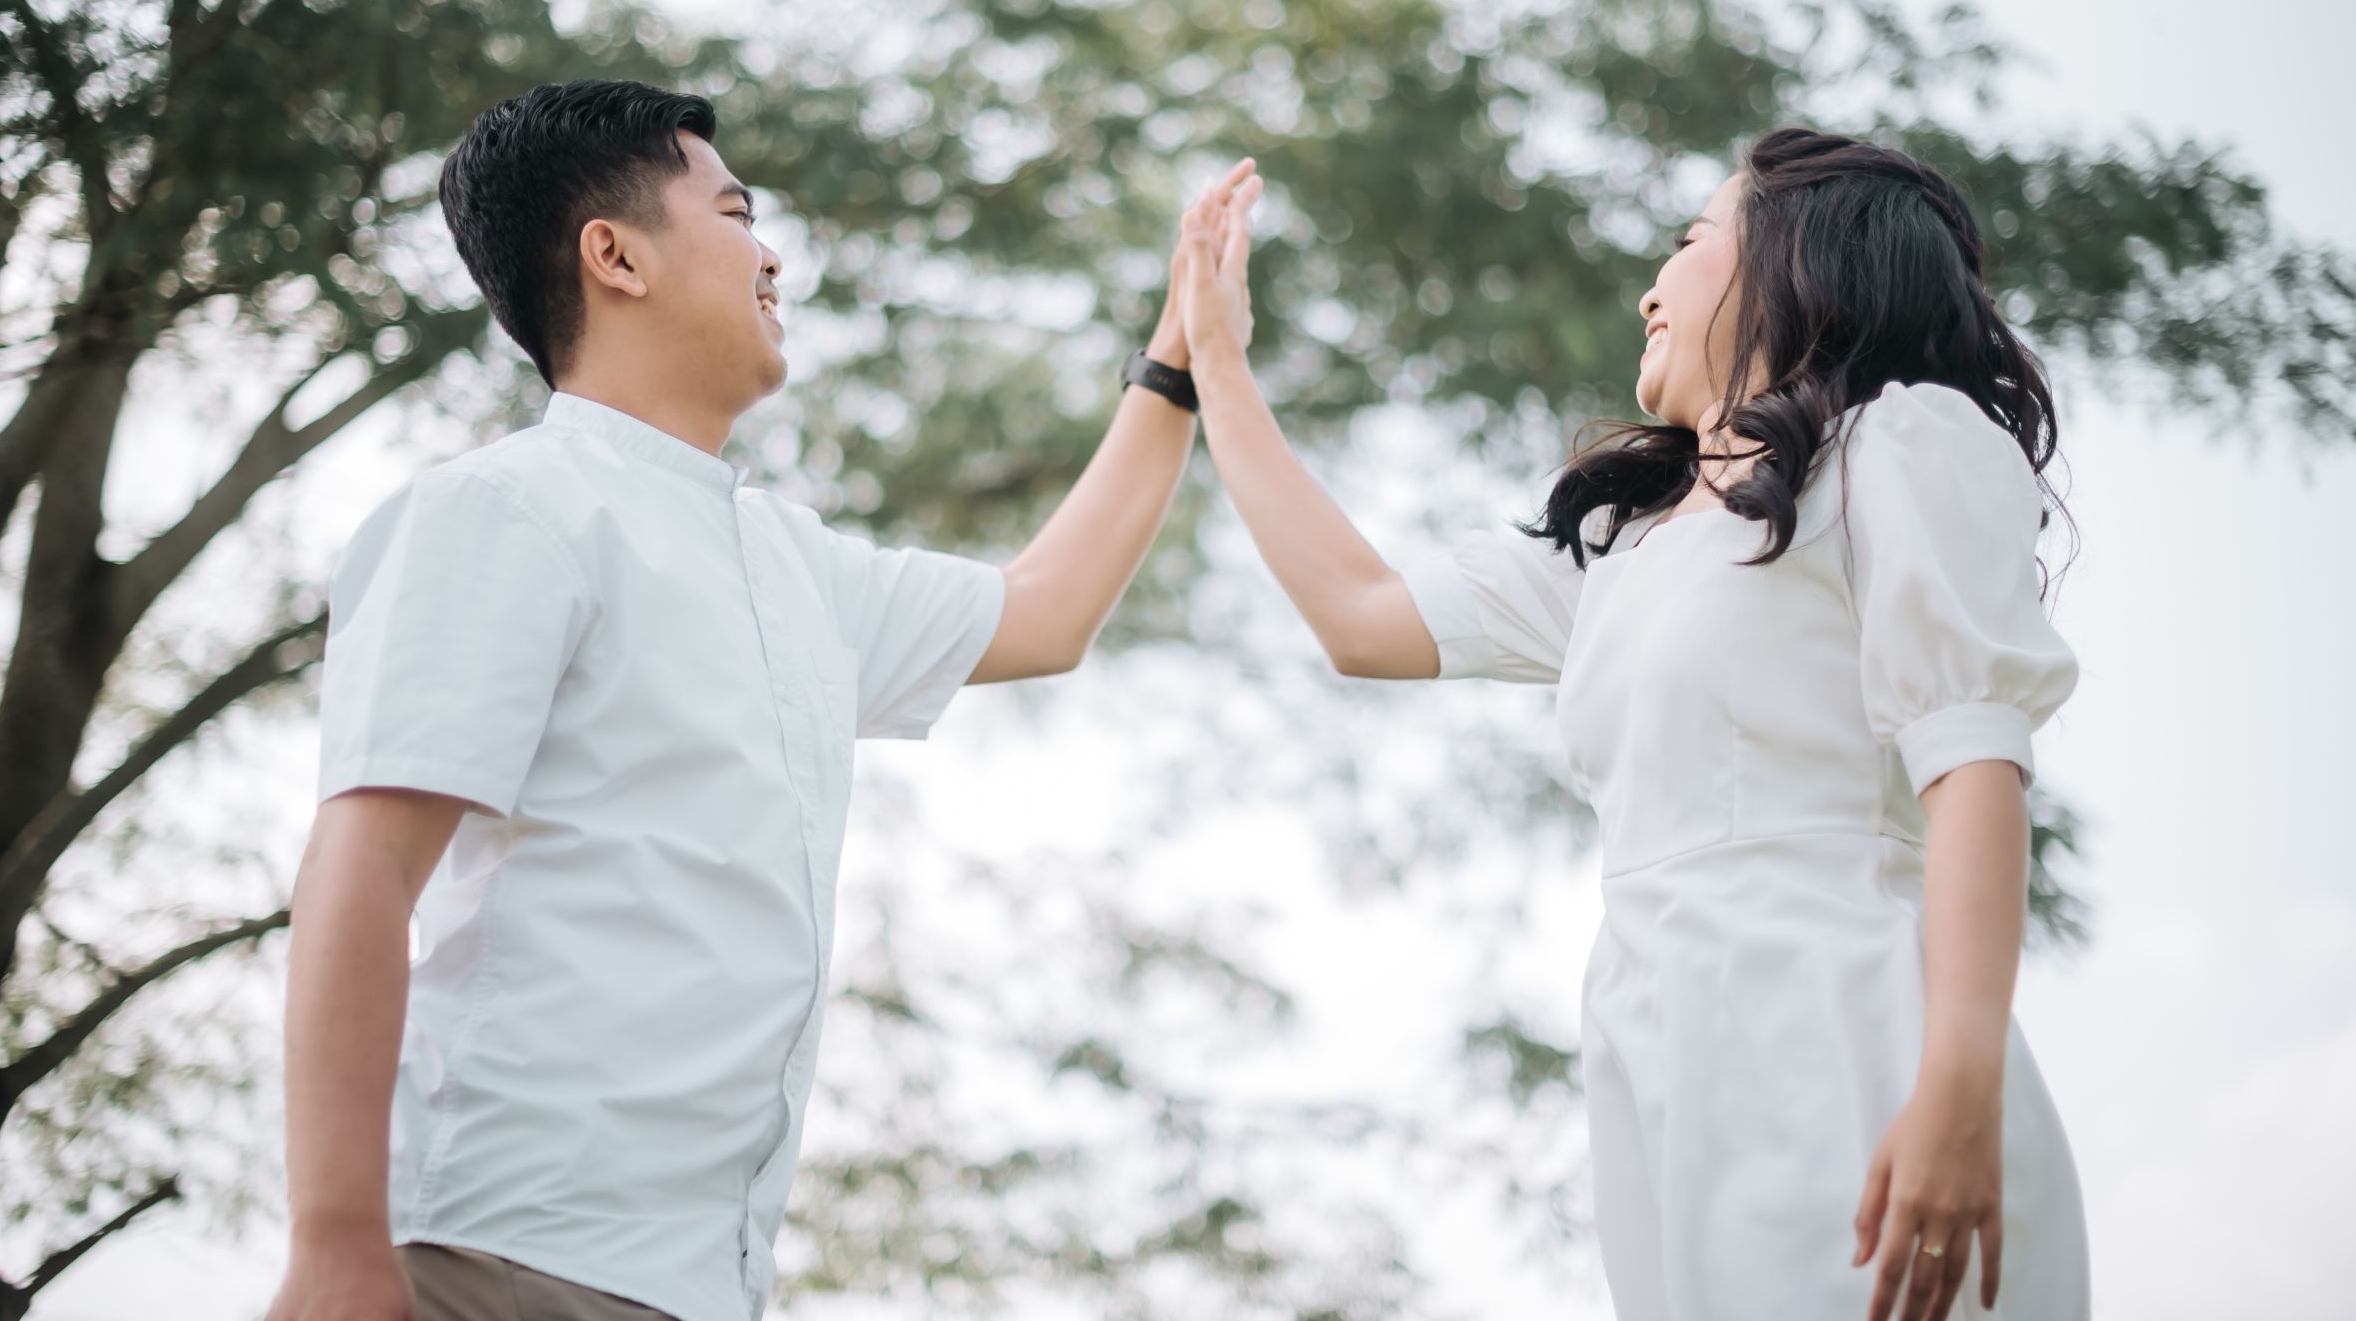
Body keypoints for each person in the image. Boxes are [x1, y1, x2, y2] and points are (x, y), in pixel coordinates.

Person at [266, 78, 1259, 1321]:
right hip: (497, 1254)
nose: (772, 255)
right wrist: (336, 1240)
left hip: (698, 1287)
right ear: (615, 256)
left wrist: (1180, 357)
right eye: (736, 215)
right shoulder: (503, 509)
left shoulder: (795, 567)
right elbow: (363, 865)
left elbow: (1048, 610)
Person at [1172, 127, 2089, 1321]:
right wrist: (1216, 360)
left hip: (1845, 1028)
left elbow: (1972, 762)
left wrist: (1960, 1086)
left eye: (1691, 240)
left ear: (1799, 264)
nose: (1650, 292)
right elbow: (1360, 615)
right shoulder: (1624, 549)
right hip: (1658, 1057)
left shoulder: (1896, 444)